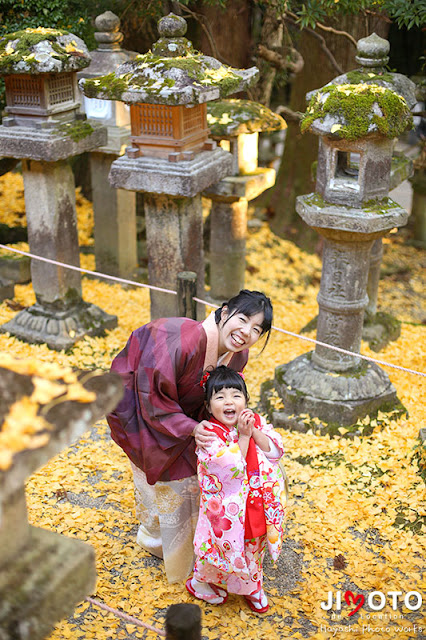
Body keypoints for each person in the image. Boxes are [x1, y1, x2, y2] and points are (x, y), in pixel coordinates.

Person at [106, 290, 273, 583]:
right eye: (243, 319)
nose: (246, 332)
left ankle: (189, 541)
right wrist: (189, 427)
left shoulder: (238, 354)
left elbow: (219, 395)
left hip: (186, 411)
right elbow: (152, 395)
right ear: (224, 313)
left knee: (199, 469)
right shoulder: (184, 342)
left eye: (257, 329)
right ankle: (154, 537)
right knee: (157, 464)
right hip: (139, 398)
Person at [186, 366, 287, 613]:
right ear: (209, 406)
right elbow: (227, 470)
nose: (229, 401)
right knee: (218, 548)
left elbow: (274, 452)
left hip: (256, 503)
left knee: (253, 546)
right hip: (227, 512)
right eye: (220, 397)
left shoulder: (256, 421)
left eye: (236, 395)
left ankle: (253, 587)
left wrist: (252, 431)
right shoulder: (209, 434)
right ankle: (200, 582)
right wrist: (242, 437)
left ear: (246, 400)